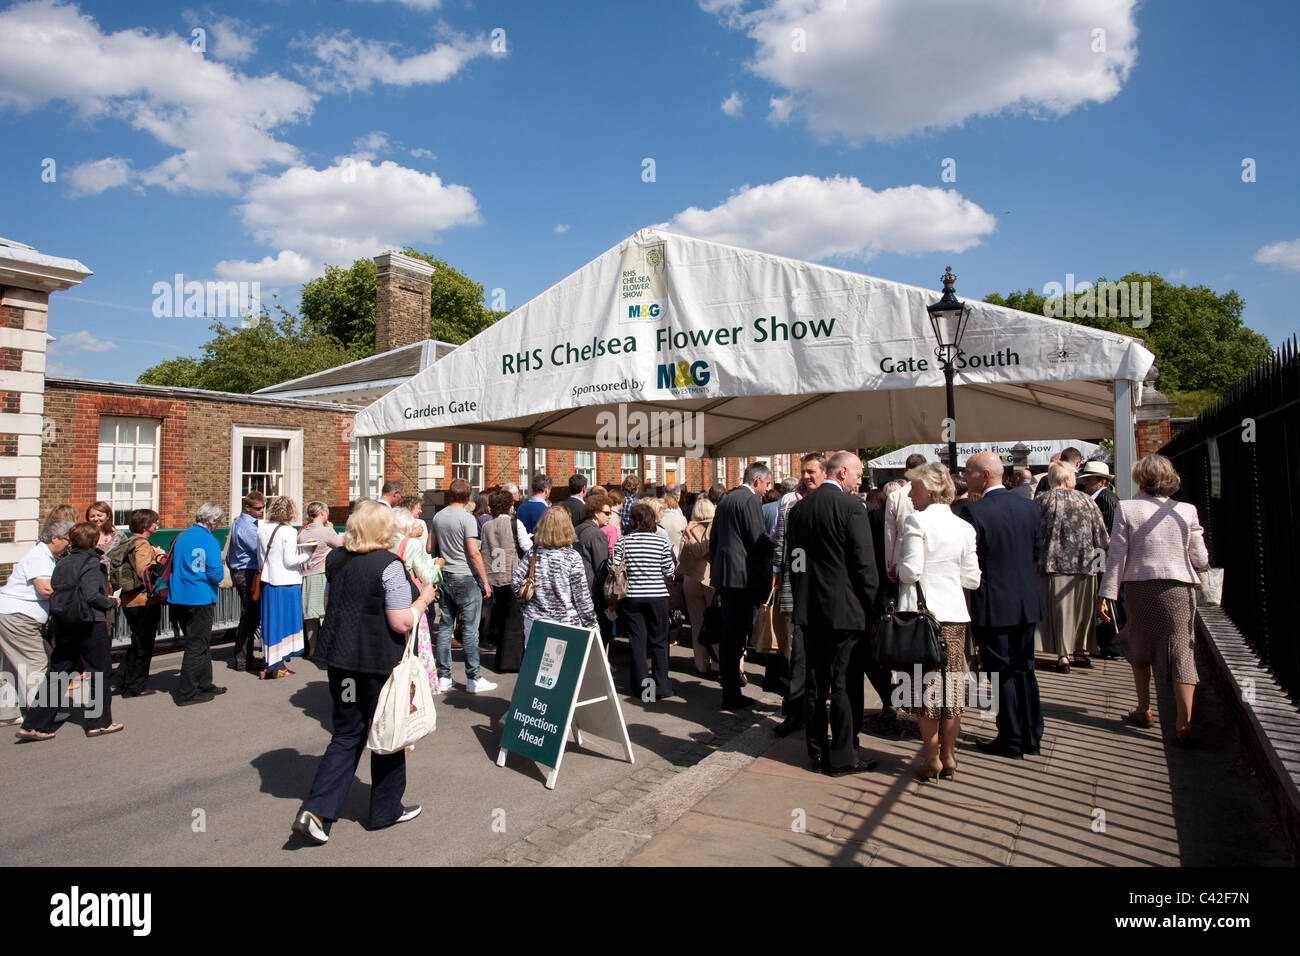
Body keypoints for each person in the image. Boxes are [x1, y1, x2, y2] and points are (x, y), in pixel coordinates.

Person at [292, 501, 435, 845]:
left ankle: (316, 810)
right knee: (388, 734)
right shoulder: (389, 565)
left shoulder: (336, 561)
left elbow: (329, 605)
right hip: (377, 663)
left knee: (346, 734)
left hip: (341, 663)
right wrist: (425, 599)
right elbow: (400, 620)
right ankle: (386, 809)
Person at [1100, 454, 1209, 744]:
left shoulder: (1127, 508)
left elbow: (1117, 555)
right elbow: (1200, 557)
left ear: (1140, 478)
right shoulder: (1186, 511)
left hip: (1139, 586)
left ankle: (1144, 708)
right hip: (1179, 586)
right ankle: (1183, 722)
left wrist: (1107, 594)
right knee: (1181, 650)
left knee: (1139, 641)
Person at [786, 451, 879, 775]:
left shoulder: (798, 510)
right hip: (845, 612)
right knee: (843, 684)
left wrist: (802, 598)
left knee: (815, 683)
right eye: (857, 473)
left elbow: (794, 562)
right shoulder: (852, 507)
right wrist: (873, 609)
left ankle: (817, 752)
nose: (860, 479)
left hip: (811, 611)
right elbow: (864, 565)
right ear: (840, 473)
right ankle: (843, 756)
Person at [896, 463, 981, 781]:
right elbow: (972, 579)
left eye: (914, 487)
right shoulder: (964, 527)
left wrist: (898, 567)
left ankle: (931, 757)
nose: (910, 493)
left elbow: (911, 571)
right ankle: (949, 754)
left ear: (930, 489)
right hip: (955, 618)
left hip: (923, 619)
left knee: (925, 690)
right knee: (953, 689)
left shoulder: (916, 521)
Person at [962, 451, 1046, 759]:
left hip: (993, 602)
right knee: (1025, 667)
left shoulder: (975, 512)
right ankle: (1031, 733)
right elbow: (1037, 551)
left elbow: (973, 561)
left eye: (969, 472)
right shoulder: (1029, 508)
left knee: (1001, 671)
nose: (965, 478)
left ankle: (1011, 736)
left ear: (984, 475)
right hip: (1025, 600)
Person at [15, 521, 121, 740]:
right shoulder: (92, 563)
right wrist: (111, 602)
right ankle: (99, 722)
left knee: (58, 673)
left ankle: (35, 724)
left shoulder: (61, 563)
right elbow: (92, 596)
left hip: (64, 623)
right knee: (98, 672)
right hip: (89, 623)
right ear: (93, 541)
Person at [709, 462, 774, 709]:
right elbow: (757, 539)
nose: (766, 491)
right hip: (742, 578)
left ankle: (730, 690)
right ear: (756, 480)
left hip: (726, 576)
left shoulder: (725, 500)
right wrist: (780, 550)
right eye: (766, 484)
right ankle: (732, 694)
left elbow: (714, 540)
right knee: (736, 636)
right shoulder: (749, 501)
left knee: (730, 635)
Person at [1037, 460, 1110, 672]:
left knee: (1059, 611)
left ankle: (1062, 655)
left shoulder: (1042, 501)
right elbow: (1102, 538)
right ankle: (1079, 650)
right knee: (1081, 610)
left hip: (1051, 564)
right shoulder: (1087, 501)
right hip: (1084, 564)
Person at [773, 453, 825, 736]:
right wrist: (778, 571)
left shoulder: (831, 502)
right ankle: (794, 711)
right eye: (803, 472)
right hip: (797, 586)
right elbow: (781, 540)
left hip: (826, 591)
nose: (806, 477)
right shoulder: (790, 504)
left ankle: (818, 707)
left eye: (811, 471)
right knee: (796, 651)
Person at [0, 520, 71, 728]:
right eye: (67, 539)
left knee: (11, 666)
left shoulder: (40, 555)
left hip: (9, 613)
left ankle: (8, 712)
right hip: (19, 617)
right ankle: (40, 712)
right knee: (35, 662)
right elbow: (45, 588)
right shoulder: (41, 557)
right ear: (54, 538)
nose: (68, 544)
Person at [429, 478, 496, 694]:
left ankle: (444, 676)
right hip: (465, 576)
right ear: (469, 497)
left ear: (450, 494)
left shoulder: (439, 516)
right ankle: (473, 677)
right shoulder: (467, 518)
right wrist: (485, 581)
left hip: (445, 574)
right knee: (469, 629)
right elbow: (474, 553)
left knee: (446, 625)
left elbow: (431, 546)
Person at [609, 501, 676, 699]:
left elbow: (614, 566)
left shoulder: (624, 541)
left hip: (632, 596)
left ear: (634, 521)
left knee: (637, 642)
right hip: (657, 595)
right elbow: (669, 570)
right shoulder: (661, 541)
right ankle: (661, 686)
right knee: (659, 641)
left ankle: (642, 688)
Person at [167, 504, 229, 706]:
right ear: (212, 522)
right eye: (218, 522)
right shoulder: (208, 540)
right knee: (196, 645)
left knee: (200, 642)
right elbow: (215, 573)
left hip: (179, 595)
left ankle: (204, 683)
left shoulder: (182, 535)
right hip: (199, 597)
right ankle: (188, 692)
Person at [510, 506, 596, 645]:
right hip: (565, 621)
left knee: (535, 663)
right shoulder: (572, 557)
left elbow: (515, 582)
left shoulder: (534, 552)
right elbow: (581, 597)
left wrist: (526, 605)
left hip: (535, 620)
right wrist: (592, 624)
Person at [109, 509, 165, 697]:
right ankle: (136, 685)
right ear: (145, 525)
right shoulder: (141, 544)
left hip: (129, 599)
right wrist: (157, 557)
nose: (156, 525)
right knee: (143, 644)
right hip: (142, 601)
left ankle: (125, 679)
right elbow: (144, 571)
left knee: (137, 642)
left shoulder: (130, 541)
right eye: (154, 522)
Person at [256, 496, 309, 679]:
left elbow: (259, 556)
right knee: (285, 624)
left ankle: (271, 663)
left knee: (271, 622)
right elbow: (290, 560)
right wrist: (308, 554)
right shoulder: (288, 531)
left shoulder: (262, 527)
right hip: (286, 582)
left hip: (268, 580)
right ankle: (278, 667)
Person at [481, 489, 532, 671]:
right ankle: (513, 661)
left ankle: (501, 659)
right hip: (513, 573)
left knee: (502, 618)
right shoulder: (514, 523)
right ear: (509, 505)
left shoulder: (487, 525)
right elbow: (526, 546)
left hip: (494, 575)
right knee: (515, 619)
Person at [1079, 461, 1123, 658]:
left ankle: (1112, 644)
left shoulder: (1106, 499)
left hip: (1104, 557)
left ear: (1101, 481)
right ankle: (1109, 643)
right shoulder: (1099, 498)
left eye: (1090, 479)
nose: (1086, 482)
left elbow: (1110, 533)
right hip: (1101, 557)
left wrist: (1102, 562)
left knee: (1107, 601)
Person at [298, 501, 344, 660]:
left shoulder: (302, 533)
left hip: (307, 575)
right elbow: (342, 545)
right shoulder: (325, 532)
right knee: (326, 613)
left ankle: (312, 649)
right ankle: (327, 648)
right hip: (323, 574)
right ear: (323, 513)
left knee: (310, 616)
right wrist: (331, 529)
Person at [225, 490, 265, 672]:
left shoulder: (244, 523)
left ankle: (245, 657)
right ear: (247, 507)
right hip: (246, 572)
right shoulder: (247, 526)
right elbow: (259, 549)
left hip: (245, 571)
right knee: (250, 616)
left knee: (250, 616)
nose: (262, 511)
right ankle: (242, 659)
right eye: (258, 508)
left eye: (264, 507)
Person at [678, 496, 716, 675]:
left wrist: (687, 535)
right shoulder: (714, 527)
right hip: (708, 579)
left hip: (692, 579)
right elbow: (701, 550)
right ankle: (716, 663)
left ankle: (702, 664)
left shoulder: (691, 527)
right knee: (714, 621)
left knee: (698, 623)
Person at [573, 492, 615, 648]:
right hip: (593, 590)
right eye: (606, 513)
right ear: (596, 513)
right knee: (601, 631)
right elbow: (601, 567)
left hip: (578, 587)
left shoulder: (577, 529)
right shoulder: (597, 534)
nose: (609, 517)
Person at [884, 455, 926, 584]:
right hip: (928, 556)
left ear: (906, 470)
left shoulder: (895, 496)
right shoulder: (931, 492)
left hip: (902, 557)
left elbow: (890, 534)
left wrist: (889, 564)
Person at [86, 501, 126, 571]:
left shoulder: (118, 536)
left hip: (111, 578)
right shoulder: (84, 535)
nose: (96, 519)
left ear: (108, 516)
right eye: (92, 516)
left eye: (99, 515)